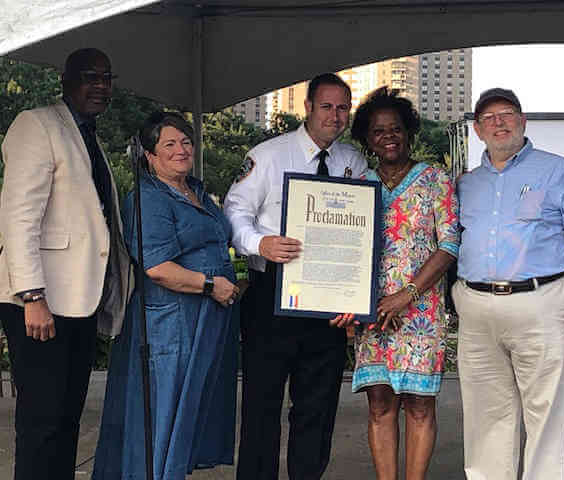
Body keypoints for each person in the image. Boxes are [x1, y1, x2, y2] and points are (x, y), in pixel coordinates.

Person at [452, 88, 564, 480]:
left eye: (506, 114)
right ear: (478, 131)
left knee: (545, 411)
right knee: (486, 412)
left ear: (523, 122)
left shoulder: (557, 170)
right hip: (477, 307)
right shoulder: (468, 184)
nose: (498, 122)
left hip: (541, 302)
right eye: (488, 118)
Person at [223, 73, 367, 480]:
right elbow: (234, 214)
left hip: (328, 300)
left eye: (343, 107)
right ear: (307, 108)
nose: (335, 116)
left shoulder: (352, 161)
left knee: (317, 408)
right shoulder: (268, 155)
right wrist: (258, 243)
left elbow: (358, 234)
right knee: (261, 405)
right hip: (272, 293)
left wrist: (354, 298)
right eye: (327, 106)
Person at [0, 48, 131, 480]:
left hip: (77, 302)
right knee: (41, 423)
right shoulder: (36, 124)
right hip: (39, 303)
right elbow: (19, 215)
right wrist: (31, 295)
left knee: (66, 420)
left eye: (106, 77)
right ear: (65, 80)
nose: (100, 86)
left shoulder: (86, 135)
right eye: (89, 76)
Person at [90, 112, 240, 479]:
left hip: (204, 321)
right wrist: (210, 284)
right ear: (150, 155)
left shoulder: (198, 191)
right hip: (169, 327)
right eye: (169, 144)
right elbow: (157, 268)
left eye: (186, 142)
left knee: (187, 418)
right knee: (161, 419)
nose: (181, 150)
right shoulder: (146, 199)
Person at [348, 87, 459, 480]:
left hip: (421, 311)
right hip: (372, 311)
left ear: (408, 131)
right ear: (366, 139)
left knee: (419, 405)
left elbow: (448, 246)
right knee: (379, 404)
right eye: (378, 131)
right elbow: (344, 252)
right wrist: (353, 303)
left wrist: (405, 296)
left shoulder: (434, 179)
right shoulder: (358, 186)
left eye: (395, 128)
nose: (388, 136)